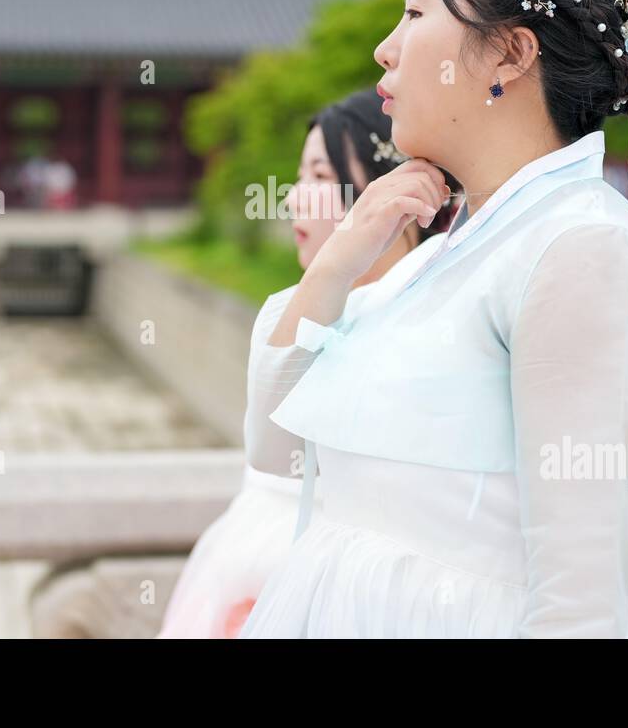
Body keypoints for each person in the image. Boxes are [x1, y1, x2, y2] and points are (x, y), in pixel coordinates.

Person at [239, 0, 628, 638]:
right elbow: (276, 452)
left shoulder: (579, 249)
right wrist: (346, 250)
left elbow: (577, 601)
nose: (385, 49)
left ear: (508, 53)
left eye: (413, 13)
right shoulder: (449, 252)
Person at [156, 88, 459, 638]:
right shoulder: (312, 304)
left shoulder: (429, 311)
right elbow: (269, 449)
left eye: (319, 178)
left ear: (396, 189)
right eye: (301, 178)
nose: (295, 199)